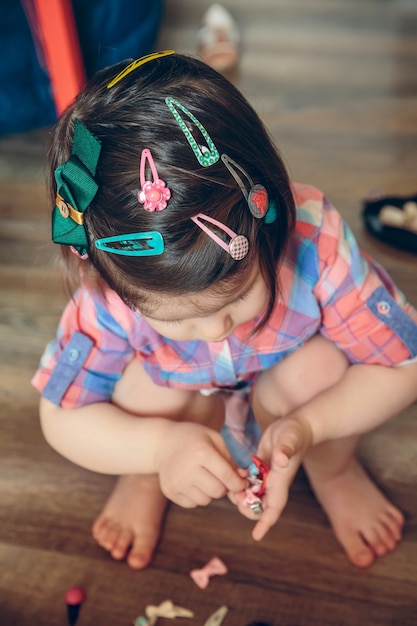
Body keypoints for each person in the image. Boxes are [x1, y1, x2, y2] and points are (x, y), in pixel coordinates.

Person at [32, 51, 417, 571]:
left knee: (322, 369)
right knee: (135, 391)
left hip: (284, 398)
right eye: (178, 318)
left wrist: (310, 426)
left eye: (237, 296)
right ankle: (144, 477)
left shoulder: (315, 241)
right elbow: (61, 413)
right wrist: (158, 449)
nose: (215, 330)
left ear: (271, 217)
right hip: (184, 407)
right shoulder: (108, 288)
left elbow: (403, 363)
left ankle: (333, 472)